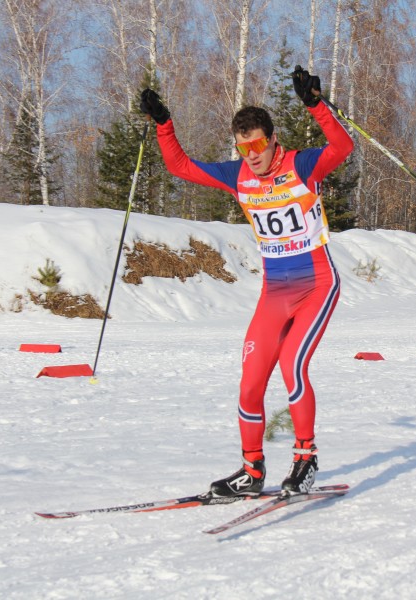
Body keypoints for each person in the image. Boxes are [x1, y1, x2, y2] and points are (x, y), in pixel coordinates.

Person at [140, 66, 354, 496]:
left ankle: (305, 458)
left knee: (293, 366)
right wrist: (164, 123)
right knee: (250, 383)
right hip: (275, 293)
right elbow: (179, 166)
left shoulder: (301, 165)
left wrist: (316, 105)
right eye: (242, 148)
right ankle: (252, 472)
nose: (251, 155)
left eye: (256, 145)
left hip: (316, 285)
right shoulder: (238, 176)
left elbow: (342, 146)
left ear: (272, 139)